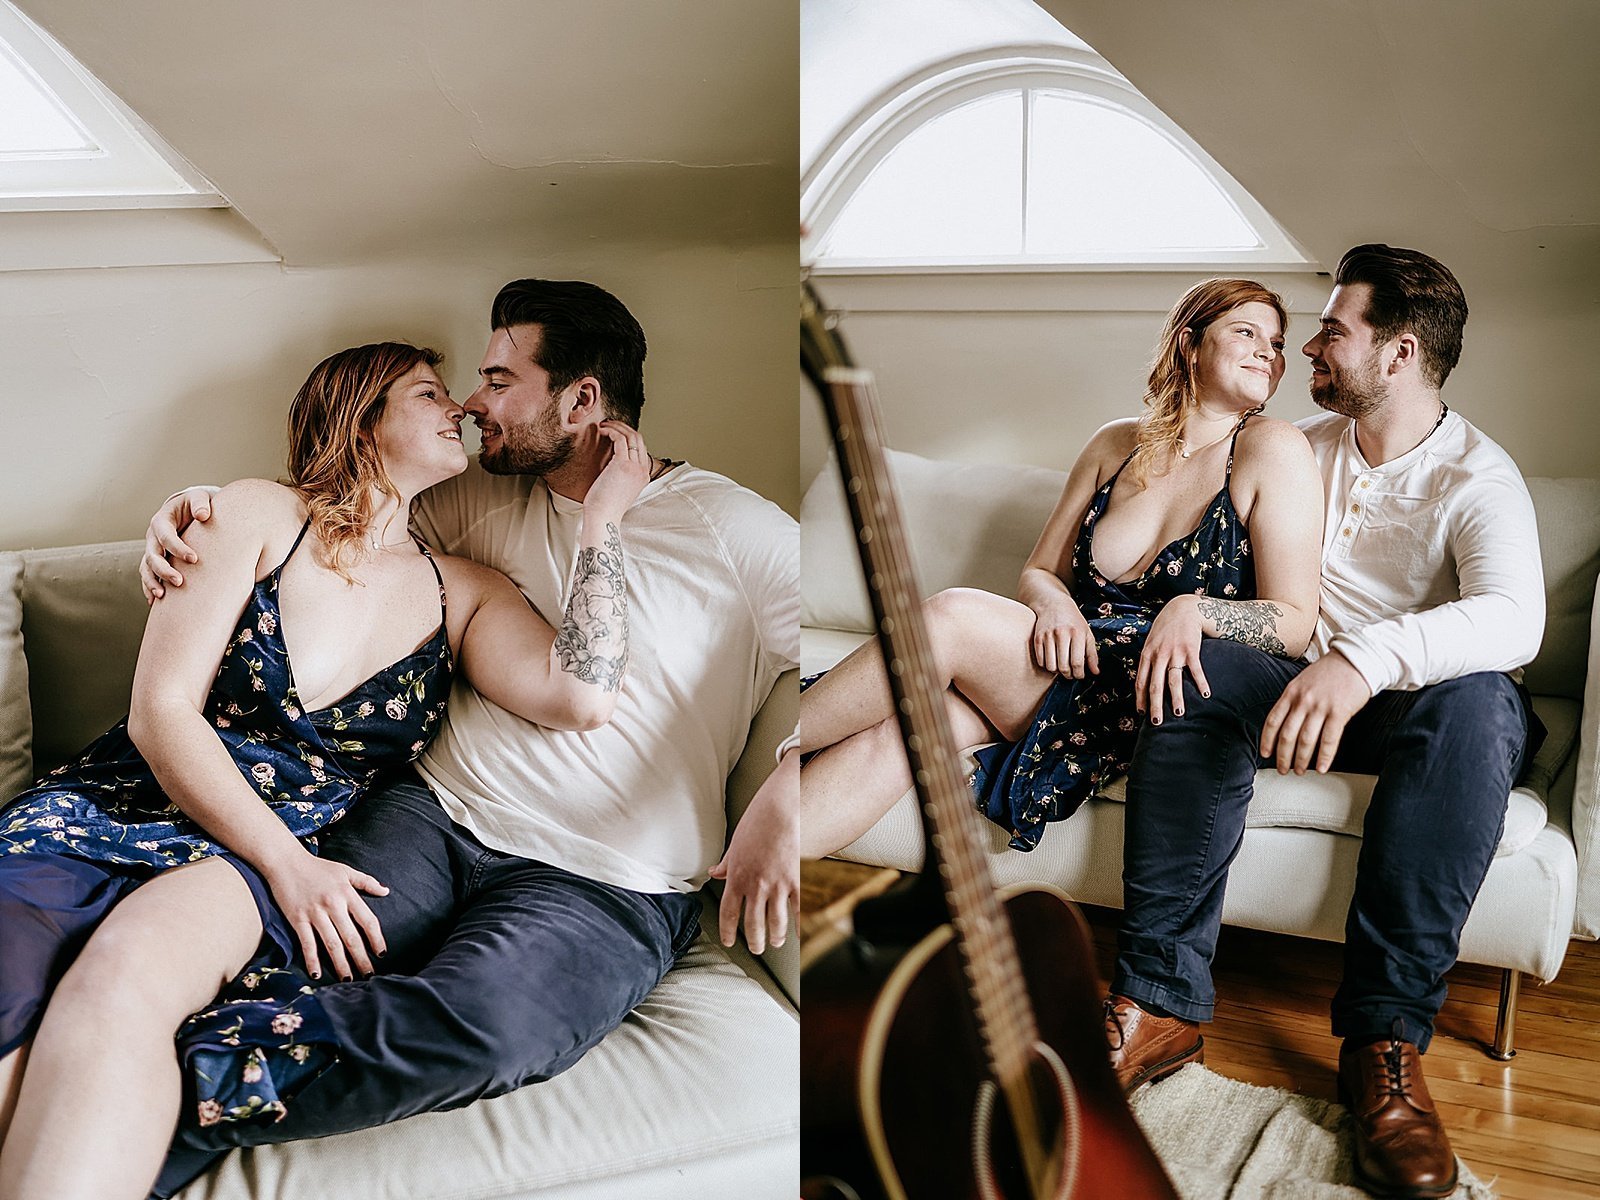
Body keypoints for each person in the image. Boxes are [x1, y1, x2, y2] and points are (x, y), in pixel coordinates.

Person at [136, 279, 799, 1195]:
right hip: (430, 819)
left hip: (606, 881)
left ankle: (147, 1100)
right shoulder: (471, 502)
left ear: (581, 401)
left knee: (491, 1027)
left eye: (498, 379)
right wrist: (192, 509)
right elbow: (334, 522)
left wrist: (790, 785)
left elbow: (848, 665)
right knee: (261, 950)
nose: (474, 406)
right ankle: (102, 1073)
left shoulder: (739, 531)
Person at [0, 341, 653, 1200]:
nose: (458, 405)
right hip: (109, 816)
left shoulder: (466, 590)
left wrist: (603, 525)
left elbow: (583, 697)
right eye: (428, 392)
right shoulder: (259, 514)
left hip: (238, 873)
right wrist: (291, 865)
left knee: (113, 1026)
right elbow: (160, 715)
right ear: (361, 415)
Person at [1105, 246, 1544, 1200]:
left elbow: (1517, 620)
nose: (1311, 345)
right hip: (1290, 689)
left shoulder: (1479, 477)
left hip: (1418, 712)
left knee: (1479, 701)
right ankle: (1159, 1004)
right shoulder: (1297, 448)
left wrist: (1363, 662)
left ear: (1399, 354)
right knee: (1197, 670)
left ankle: (1384, 1047)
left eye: (1334, 331)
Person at [799, 278, 1323, 859]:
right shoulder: (1114, 444)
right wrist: (1055, 605)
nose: (1267, 353)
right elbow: (1041, 570)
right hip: (1065, 656)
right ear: (1189, 344)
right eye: (1245, 332)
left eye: (1276, 344)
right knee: (906, 735)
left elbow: (1295, 623)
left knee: (952, 614)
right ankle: (742, 876)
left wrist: (1191, 609)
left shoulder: (1272, 447)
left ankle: (779, 742)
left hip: (1146, 687)